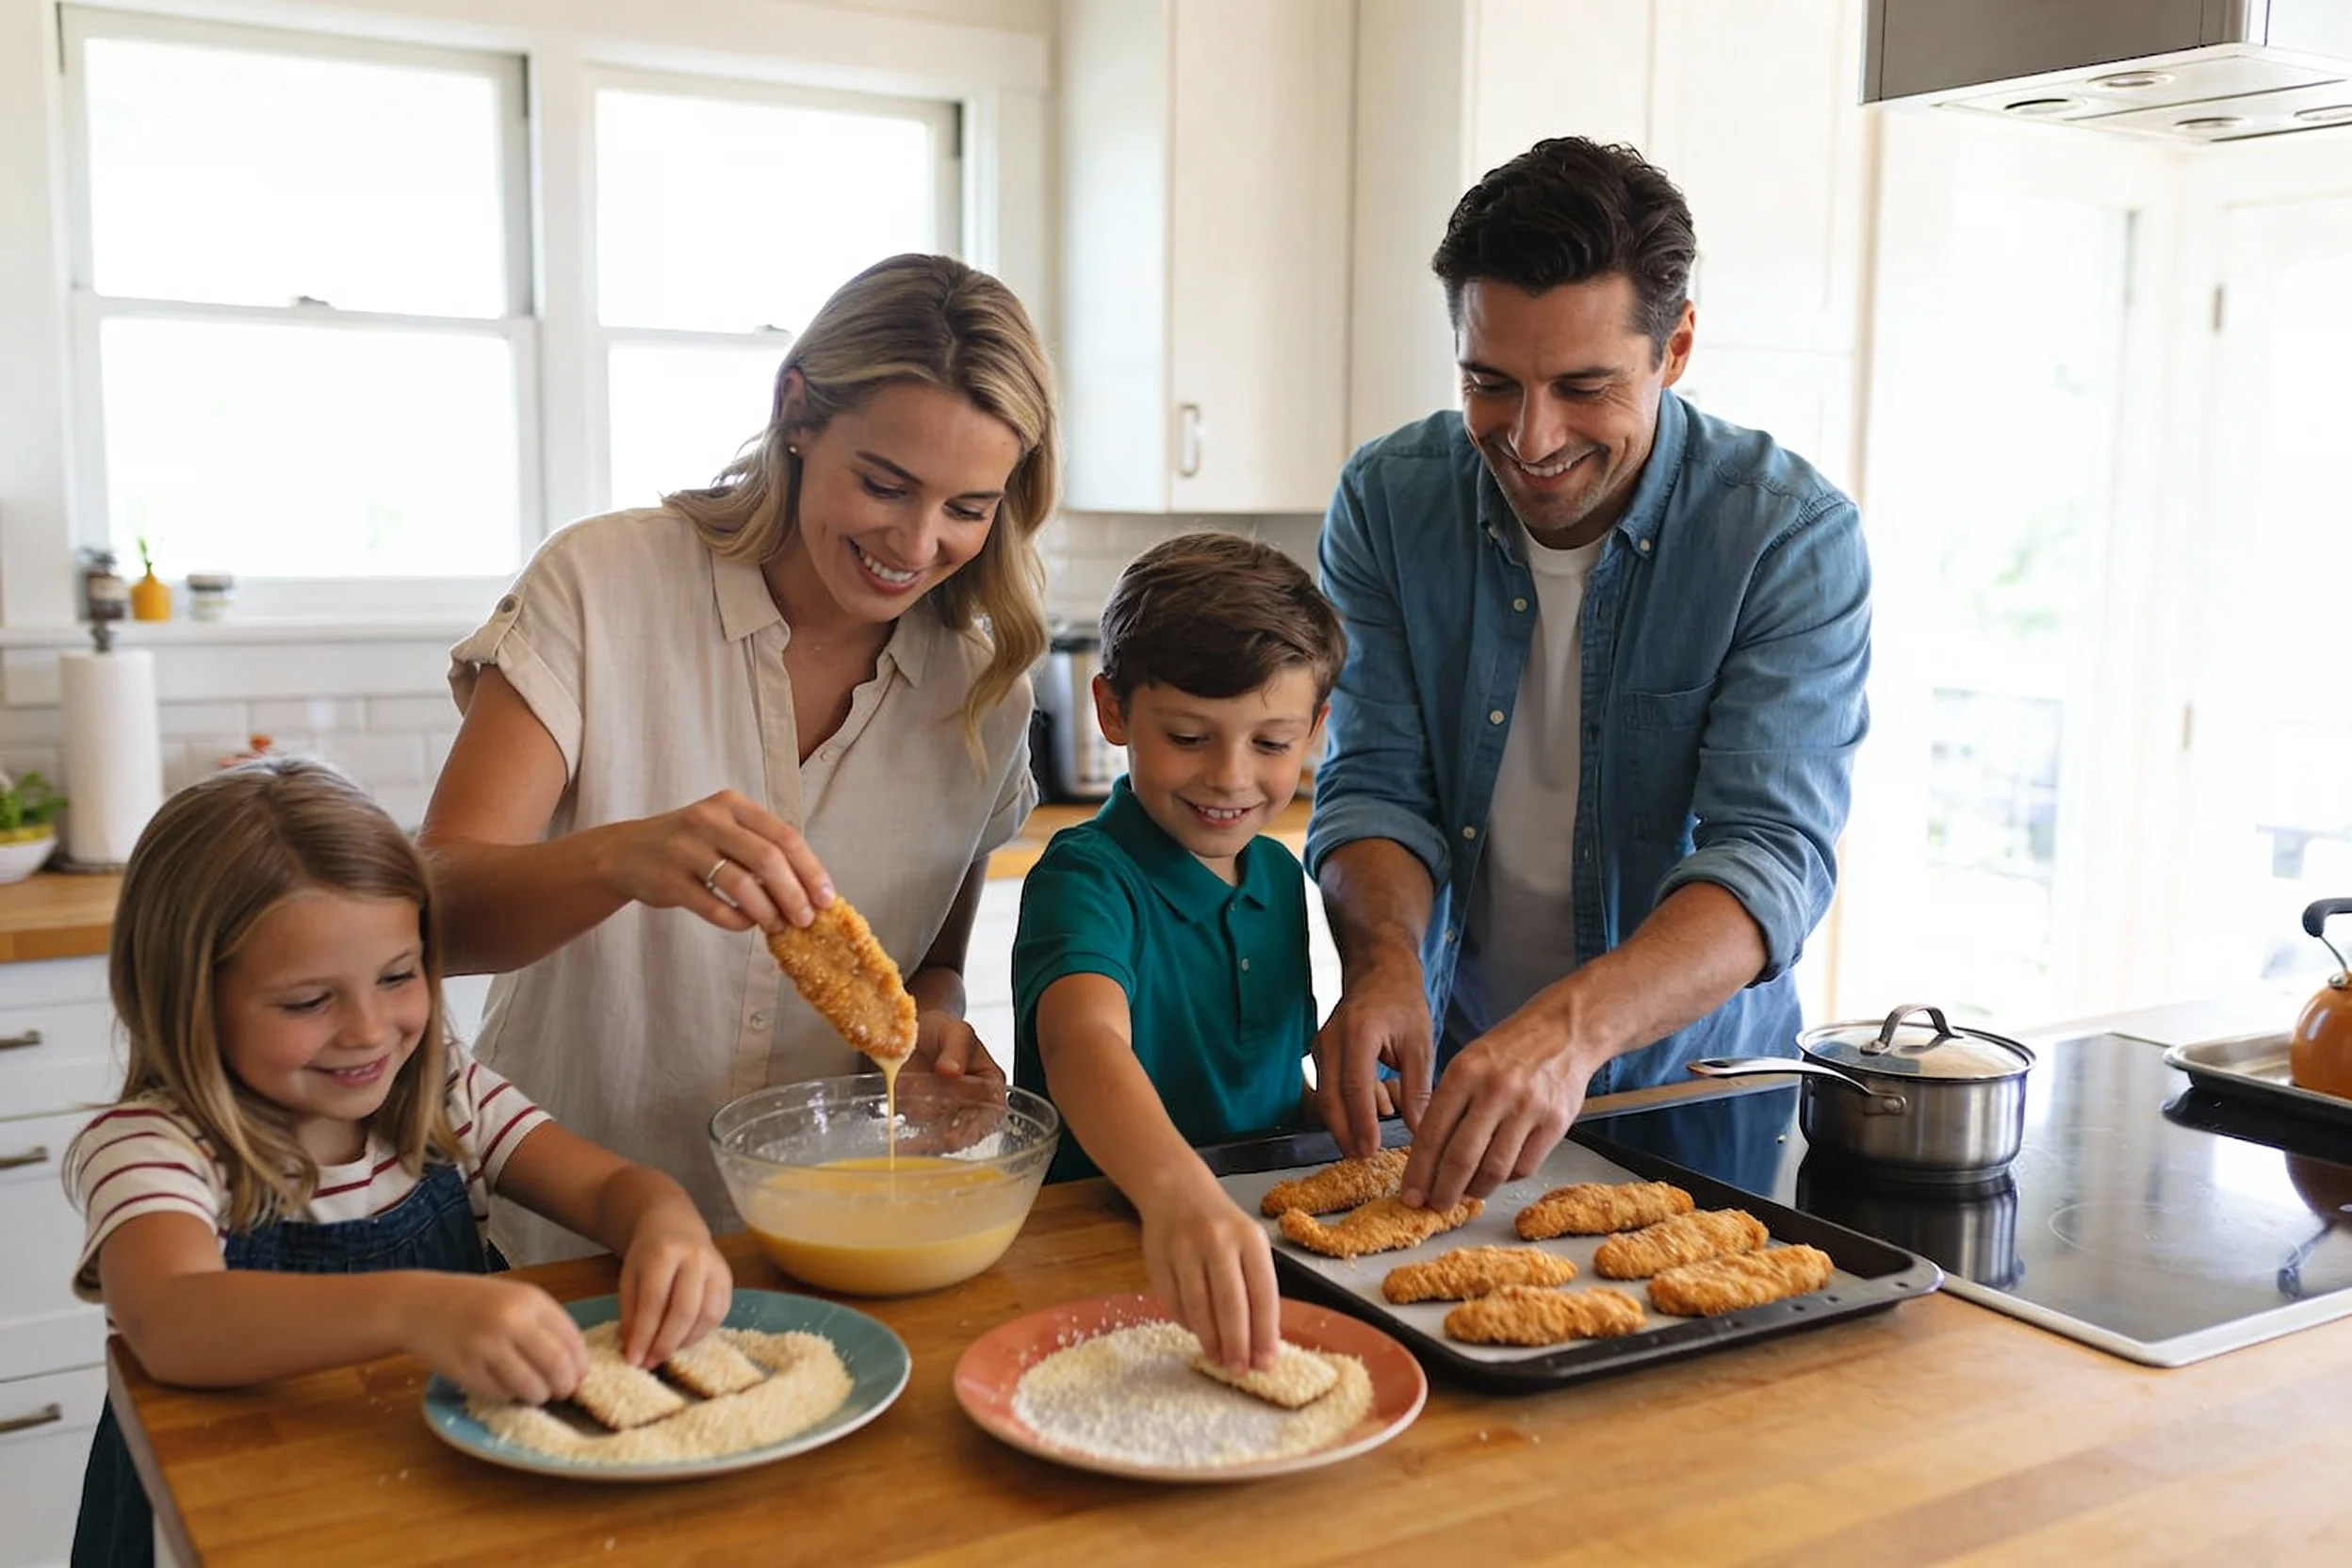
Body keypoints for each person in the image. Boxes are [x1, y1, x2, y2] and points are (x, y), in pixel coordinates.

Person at [417, 253, 1057, 1263]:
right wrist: (624, 857)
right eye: (884, 484)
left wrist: (931, 1029)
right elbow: (434, 912)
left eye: (968, 508)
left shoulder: (982, 696)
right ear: (797, 414)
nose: (917, 541)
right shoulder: (605, 586)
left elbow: (927, 962)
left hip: (815, 1248)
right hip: (552, 1247)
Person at [1309, 137, 1871, 1212]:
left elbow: (1770, 854)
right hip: (1451, 1083)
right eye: (1490, 382)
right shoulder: (1388, 498)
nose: (1529, 437)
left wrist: (1567, 1033)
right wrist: (1382, 958)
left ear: (1677, 346)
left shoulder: (1786, 536)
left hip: (1692, 1092)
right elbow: (1375, 779)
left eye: (1583, 386)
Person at [65, 759, 731, 1568]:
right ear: (185, 995)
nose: (369, 1031)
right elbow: (173, 1318)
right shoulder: (153, 1148)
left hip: (427, 1499)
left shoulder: (443, 1098)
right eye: (310, 1001)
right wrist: (417, 1309)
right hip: (227, 1525)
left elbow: (609, 1186)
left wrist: (666, 1225)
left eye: (397, 977)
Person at [1012, 532, 1348, 1373]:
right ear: (1114, 710)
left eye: (1270, 744)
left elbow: (1259, 1089)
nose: (1232, 777)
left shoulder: (1277, 873)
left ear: (1315, 730)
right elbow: (1083, 1045)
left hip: (1258, 1247)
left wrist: (1345, 1117)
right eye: (1191, 737)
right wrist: (1178, 1193)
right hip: (1099, 1254)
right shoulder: (1088, 876)